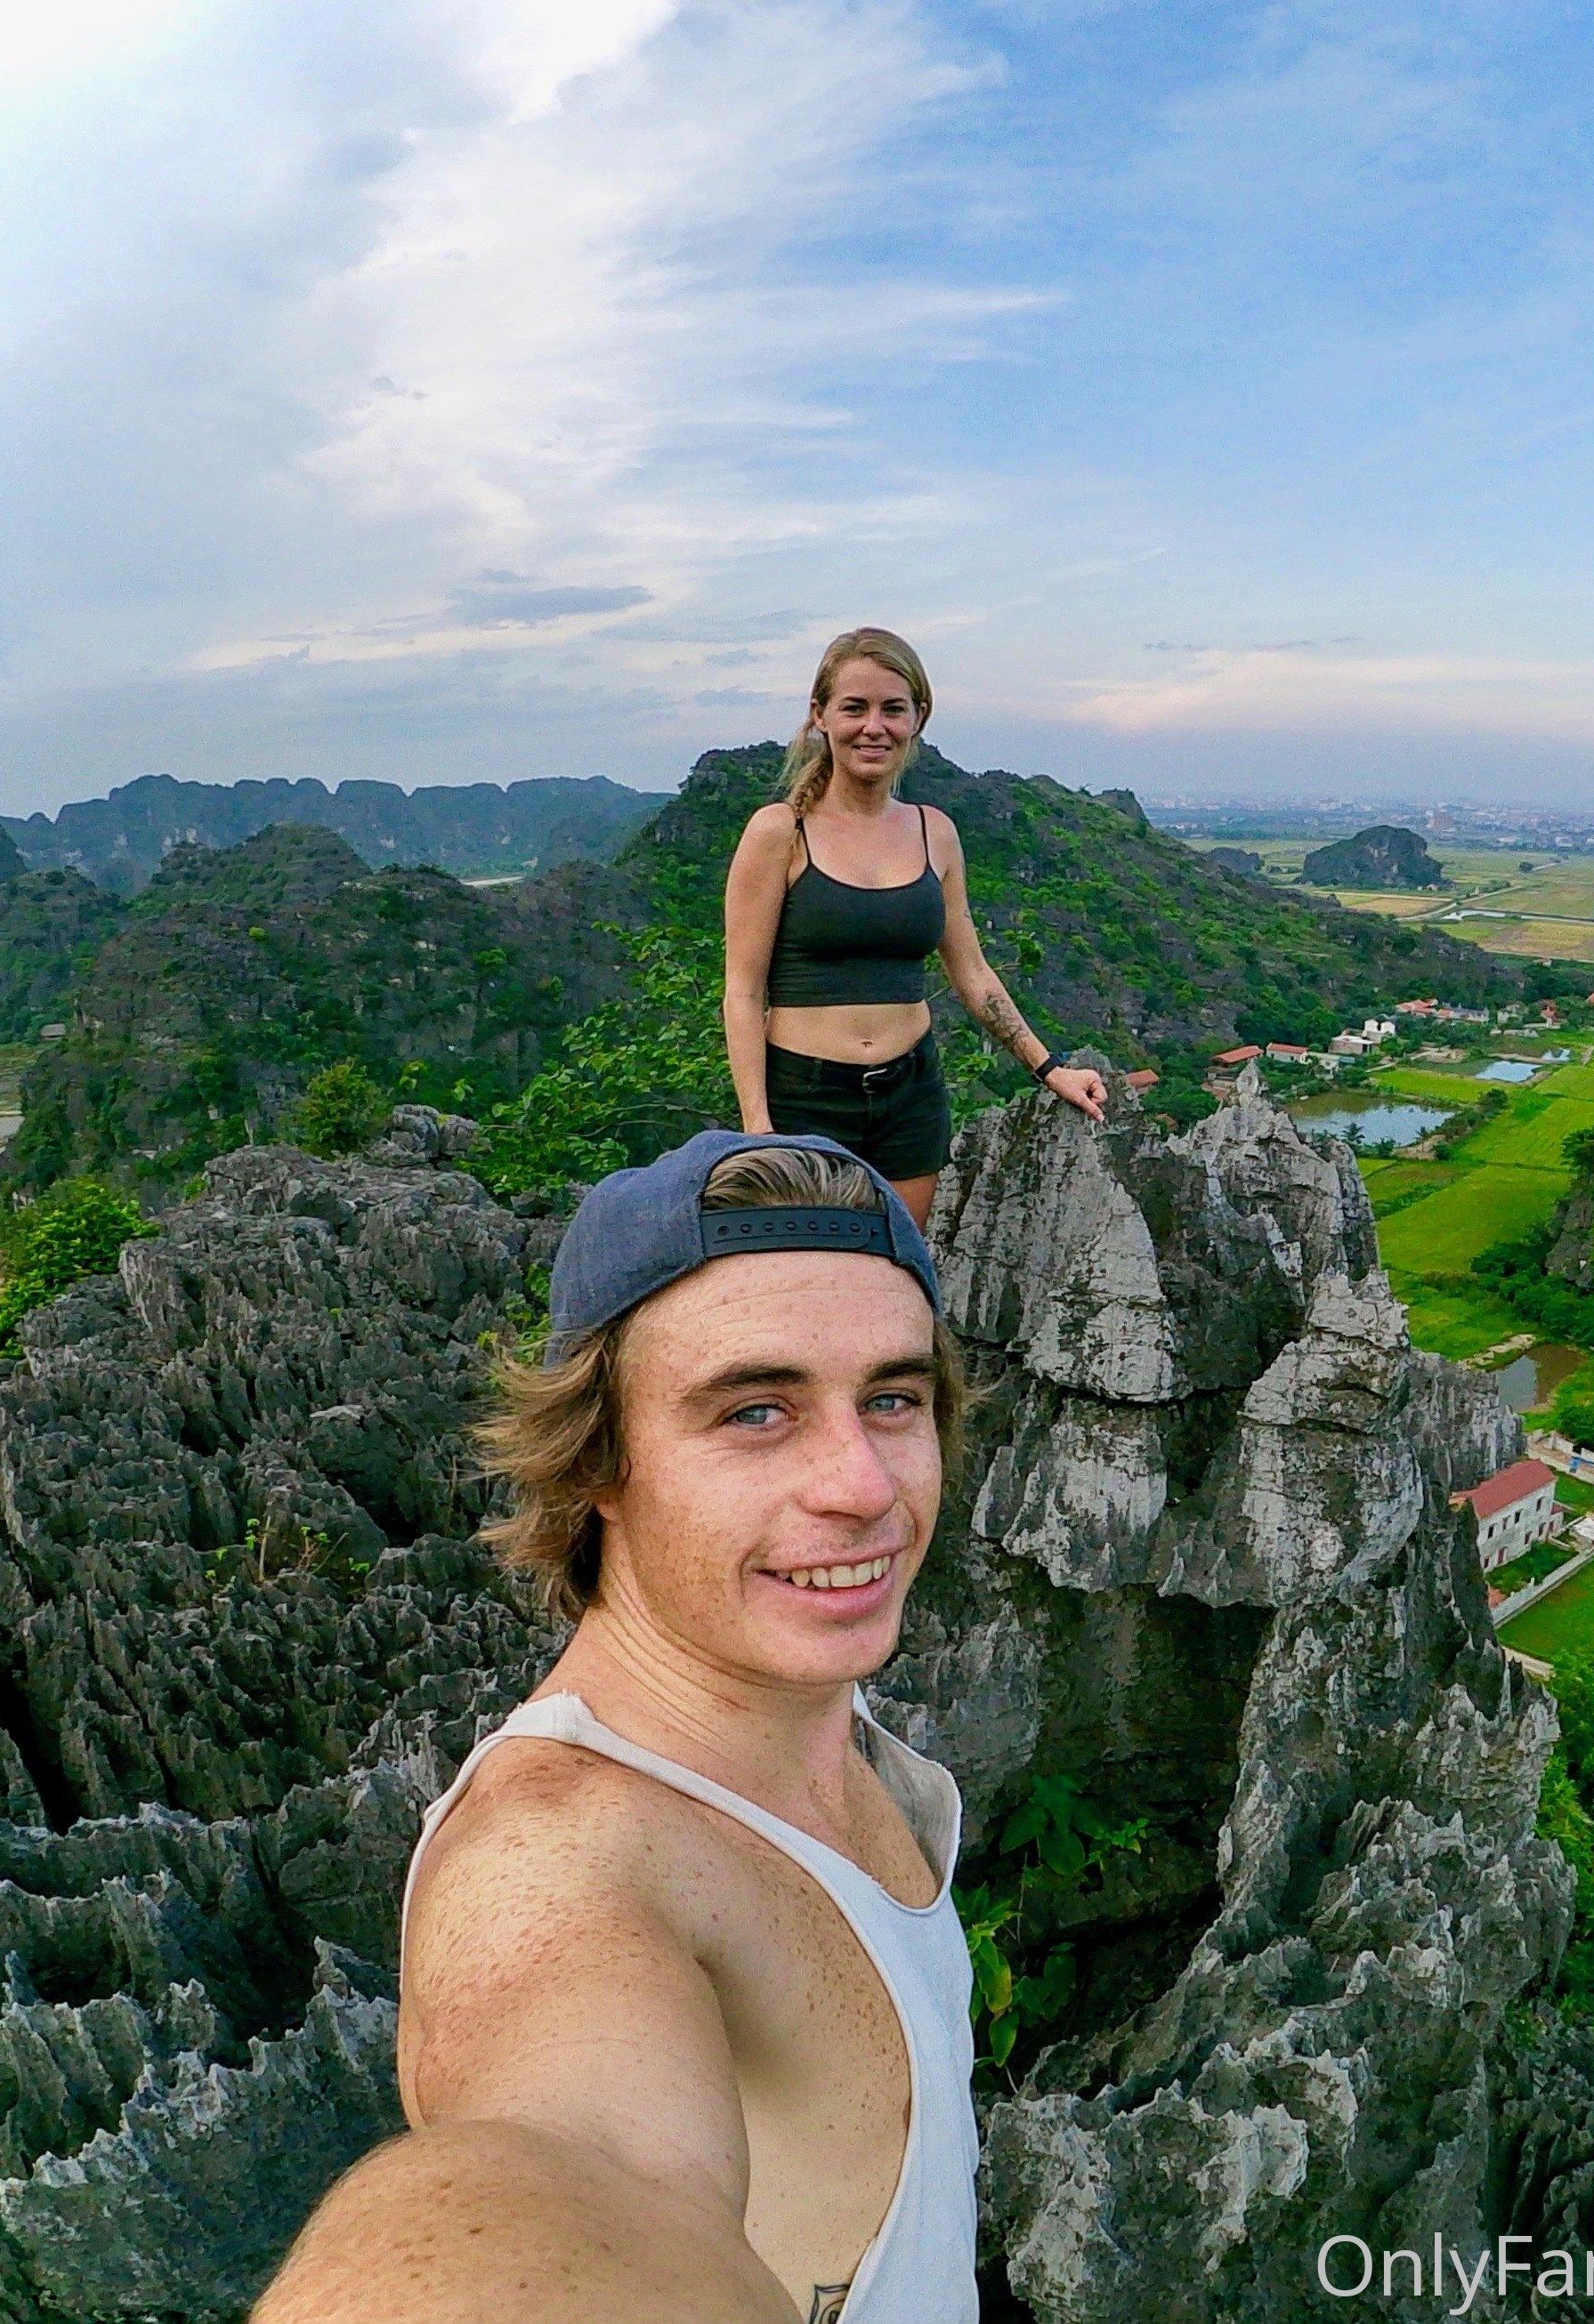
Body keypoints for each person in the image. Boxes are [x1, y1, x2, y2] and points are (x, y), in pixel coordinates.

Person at [255, 1130, 980, 2324]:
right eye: (756, 1412)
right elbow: (568, 2161)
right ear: (597, 1458)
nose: (862, 1483)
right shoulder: (556, 1862)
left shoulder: (823, 1731)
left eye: (893, 1398)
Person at [723, 625, 1106, 1230]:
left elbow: (973, 974)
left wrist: (1048, 1066)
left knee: (899, 1269)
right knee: (811, 1282)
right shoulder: (780, 832)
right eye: (854, 708)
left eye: (892, 709)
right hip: (805, 1095)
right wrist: (757, 1129)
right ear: (820, 716)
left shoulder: (935, 832)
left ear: (917, 719)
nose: (873, 726)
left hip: (911, 1094)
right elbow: (742, 991)